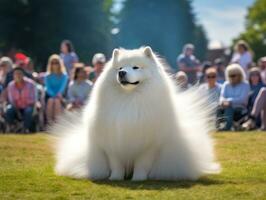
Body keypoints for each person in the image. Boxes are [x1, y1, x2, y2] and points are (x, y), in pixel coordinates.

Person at [218, 64, 250, 131]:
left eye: (233, 75)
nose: (231, 77)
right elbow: (222, 97)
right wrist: (223, 102)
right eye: (230, 75)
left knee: (229, 108)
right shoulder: (226, 84)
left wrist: (229, 102)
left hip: (240, 108)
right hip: (226, 106)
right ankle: (217, 126)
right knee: (217, 108)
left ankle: (226, 128)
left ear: (239, 75)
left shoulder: (245, 84)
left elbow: (242, 99)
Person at [5, 67, 36, 133]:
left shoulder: (31, 84)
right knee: (9, 110)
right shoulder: (10, 85)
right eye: (16, 74)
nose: (18, 76)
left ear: (23, 75)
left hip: (28, 106)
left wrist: (25, 104)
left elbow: (33, 99)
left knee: (28, 111)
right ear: (13, 76)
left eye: (19, 74)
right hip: (16, 107)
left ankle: (25, 129)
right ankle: (10, 128)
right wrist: (17, 109)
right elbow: (11, 100)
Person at [45, 54, 68, 123]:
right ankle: (49, 122)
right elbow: (48, 87)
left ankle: (57, 122)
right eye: (53, 63)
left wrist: (58, 94)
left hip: (60, 96)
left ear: (60, 64)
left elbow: (62, 87)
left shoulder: (64, 75)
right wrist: (53, 95)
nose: (55, 65)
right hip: (50, 95)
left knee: (57, 102)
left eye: (56, 63)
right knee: (51, 101)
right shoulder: (47, 76)